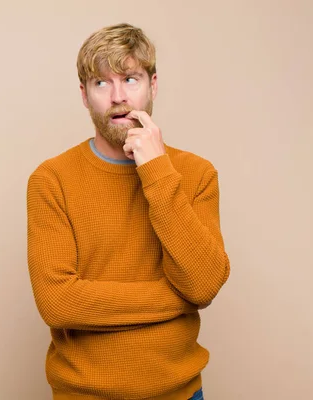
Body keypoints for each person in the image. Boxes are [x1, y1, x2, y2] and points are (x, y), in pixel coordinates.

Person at [26, 23, 230, 400]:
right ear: (85, 96)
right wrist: (176, 299)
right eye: (101, 83)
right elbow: (58, 303)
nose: (118, 97)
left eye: (130, 79)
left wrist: (156, 170)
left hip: (181, 394)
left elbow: (202, 284)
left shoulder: (197, 174)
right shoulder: (51, 179)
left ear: (153, 85)